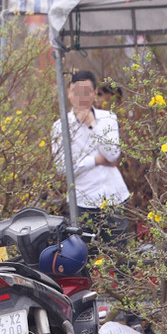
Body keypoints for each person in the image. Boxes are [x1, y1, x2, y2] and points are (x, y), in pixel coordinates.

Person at [51, 70, 130, 246]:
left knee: (121, 253)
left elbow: (112, 154)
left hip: (113, 197)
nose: (81, 97)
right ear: (69, 93)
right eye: (76, 91)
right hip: (82, 201)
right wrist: (96, 160)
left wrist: (93, 125)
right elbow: (63, 168)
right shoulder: (60, 126)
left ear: (94, 93)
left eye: (86, 91)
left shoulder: (108, 118)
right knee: (84, 254)